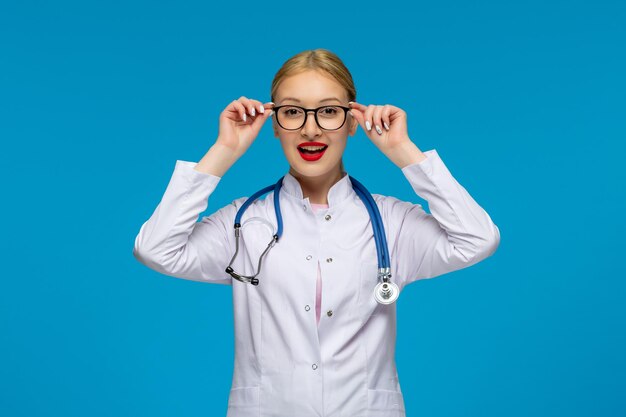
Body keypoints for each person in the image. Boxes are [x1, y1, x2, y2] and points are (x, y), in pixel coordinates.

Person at [133, 48, 500, 417]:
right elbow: (156, 249)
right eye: (292, 112)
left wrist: (404, 151)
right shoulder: (245, 222)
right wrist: (224, 151)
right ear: (274, 123)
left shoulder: (392, 221)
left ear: (352, 120)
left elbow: (477, 239)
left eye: (328, 111)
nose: (311, 128)